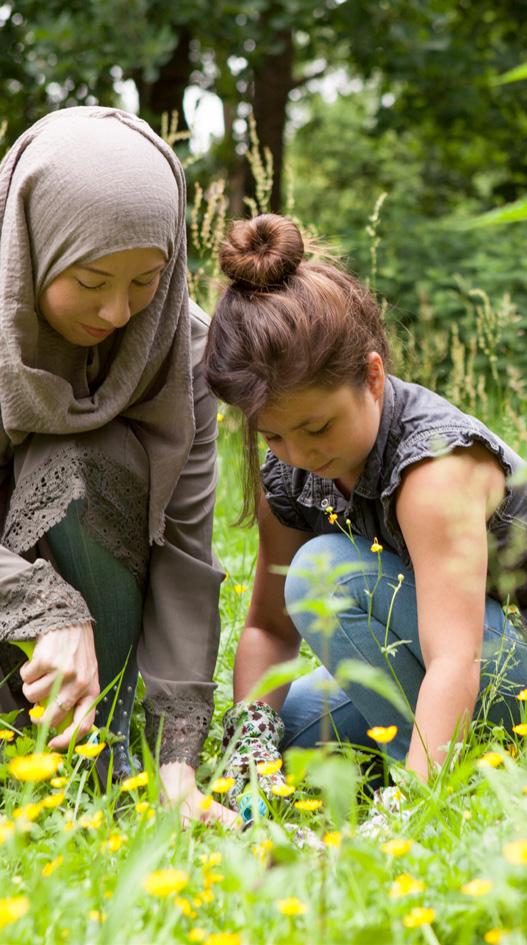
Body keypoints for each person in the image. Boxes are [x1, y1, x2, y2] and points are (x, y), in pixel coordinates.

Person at [204, 213, 527, 791]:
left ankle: (441, 785)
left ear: (373, 377)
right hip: (452, 661)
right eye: (274, 435)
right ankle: (440, 758)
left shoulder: (434, 469)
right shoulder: (288, 468)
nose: (299, 453)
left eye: (318, 427)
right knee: (292, 733)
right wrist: (248, 747)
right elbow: (269, 628)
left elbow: (455, 656)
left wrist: (414, 812)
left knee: (322, 573)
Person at [0, 106, 237, 826]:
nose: (116, 310)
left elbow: (184, 561)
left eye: (146, 280)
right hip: (23, 607)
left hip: (97, 638)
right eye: (93, 277)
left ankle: (99, 752)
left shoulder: (179, 349)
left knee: (83, 454)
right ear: (31, 242)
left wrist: (177, 764)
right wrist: (43, 603)